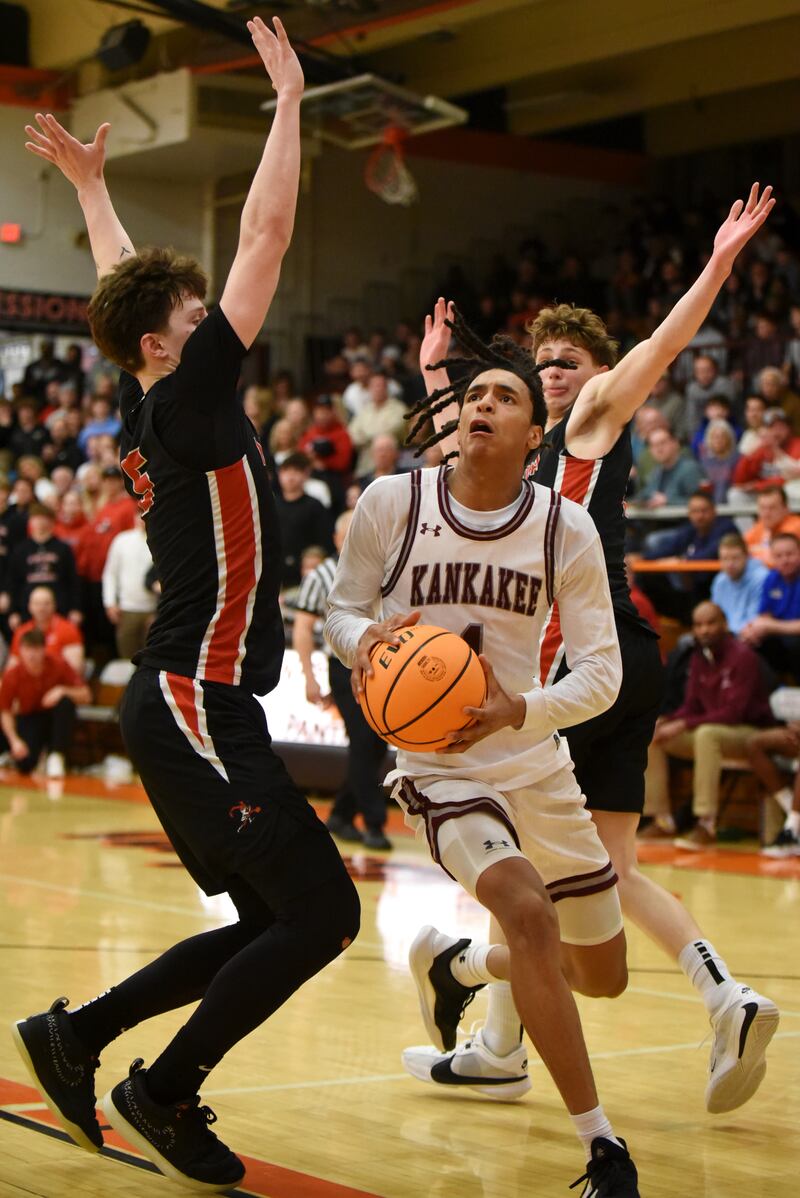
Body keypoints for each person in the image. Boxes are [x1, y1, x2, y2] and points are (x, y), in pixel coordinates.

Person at [12, 19, 359, 1193]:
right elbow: (265, 233)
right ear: (170, 344)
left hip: (196, 701)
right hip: (191, 696)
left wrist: (94, 191)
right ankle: (159, 1090)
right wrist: (289, 105)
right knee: (320, 915)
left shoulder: (155, 393)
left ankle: (76, 1037)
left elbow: (132, 296)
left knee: (274, 917)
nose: (218, 318)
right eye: (197, 314)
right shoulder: (190, 397)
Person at [404, 182, 778, 1116]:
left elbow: (662, 348)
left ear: (597, 373)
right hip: (611, 663)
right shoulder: (525, 453)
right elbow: (457, 452)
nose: (552, 374)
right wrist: (436, 376)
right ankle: (721, 997)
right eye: (542, 364)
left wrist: (718, 265)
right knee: (606, 874)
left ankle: (472, 986)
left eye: (567, 362)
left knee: (525, 869)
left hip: (583, 671)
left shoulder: (594, 418)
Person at [326, 326, 642, 1196]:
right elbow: (341, 611)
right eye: (473, 396)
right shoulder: (393, 502)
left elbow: (603, 675)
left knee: (602, 977)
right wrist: (366, 641)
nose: (483, 406)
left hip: (534, 760)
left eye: (505, 397)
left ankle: (459, 963)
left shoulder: (564, 527)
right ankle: (602, 1147)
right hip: (439, 766)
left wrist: (521, 709)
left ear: (535, 434)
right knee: (527, 913)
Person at [292, 509, 391, 850]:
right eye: (349, 534)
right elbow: (303, 628)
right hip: (343, 666)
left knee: (375, 745)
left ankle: (341, 814)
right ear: (336, 539)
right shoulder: (322, 573)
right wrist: (309, 677)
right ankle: (375, 823)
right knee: (363, 741)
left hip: (382, 666)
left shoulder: (385, 567)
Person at [644, 601, 775, 849]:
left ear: (724, 624)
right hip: (712, 729)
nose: (704, 630)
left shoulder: (743, 657)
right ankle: (662, 821)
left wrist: (684, 724)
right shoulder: (698, 657)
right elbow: (692, 706)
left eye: (710, 623)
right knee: (654, 735)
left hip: (749, 732)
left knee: (706, 734)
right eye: (698, 625)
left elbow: (734, 713)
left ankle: (706, 824)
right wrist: (669, 720)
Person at [0, 627, 90, 778]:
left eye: (36, 649)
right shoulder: (12, 675)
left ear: (43, 649)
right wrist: (14, 740)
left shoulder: (59, 664)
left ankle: (56, 755)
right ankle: (27, 756)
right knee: (25, 763)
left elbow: (86, 695)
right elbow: (5, 711)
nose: (31, 655)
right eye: (27, 649)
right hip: (30, 719)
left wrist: (62, 690)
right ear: (20, 651)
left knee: (66, 703)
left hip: (54, 719)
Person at [740, 531, 800, 682]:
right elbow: (765, 615)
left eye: (790, 554)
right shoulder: (772, 578)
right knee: (750, 641)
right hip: (780, 635)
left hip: (794, 639)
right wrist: (752, 629)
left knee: (794, 643)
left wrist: (771, 626)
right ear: (772, 557)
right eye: (779, 556)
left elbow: (770, 624)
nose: (785, 560)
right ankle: (770, 689)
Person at [102, 513, 157, 660]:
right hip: (127, 609)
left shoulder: (162, 540)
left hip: (154, 609)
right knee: (127, 658)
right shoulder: (122, 540)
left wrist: (160, 611)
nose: (142, 519)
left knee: (152, 658)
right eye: (139, 515)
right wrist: (110, 602)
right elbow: (110, 573)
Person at [9, 584, 84, 675]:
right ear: (29, 606)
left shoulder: (68, 629)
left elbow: (75, 669)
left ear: (54, 605)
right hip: (28, 680)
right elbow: (11, 669)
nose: (41, 608)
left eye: (46, 604)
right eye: (37, 604)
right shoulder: (22, 632)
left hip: (58, 680)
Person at [711, 532, 769, 634]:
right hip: (724, 635)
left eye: (735, 558)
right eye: (725, 559)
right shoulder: (720, 581)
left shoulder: (761, 578)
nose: (730, 564)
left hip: (750, 635)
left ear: (747, 556)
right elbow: (714, 615)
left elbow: (754, 621)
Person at [744, 484, 800, 566]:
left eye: (772, 508)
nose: (766, 513)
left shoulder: (795, 526)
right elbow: (740, 551)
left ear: (785, 509)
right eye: (762, 508)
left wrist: (754, 551)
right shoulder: (760, 526)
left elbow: (777, 559)